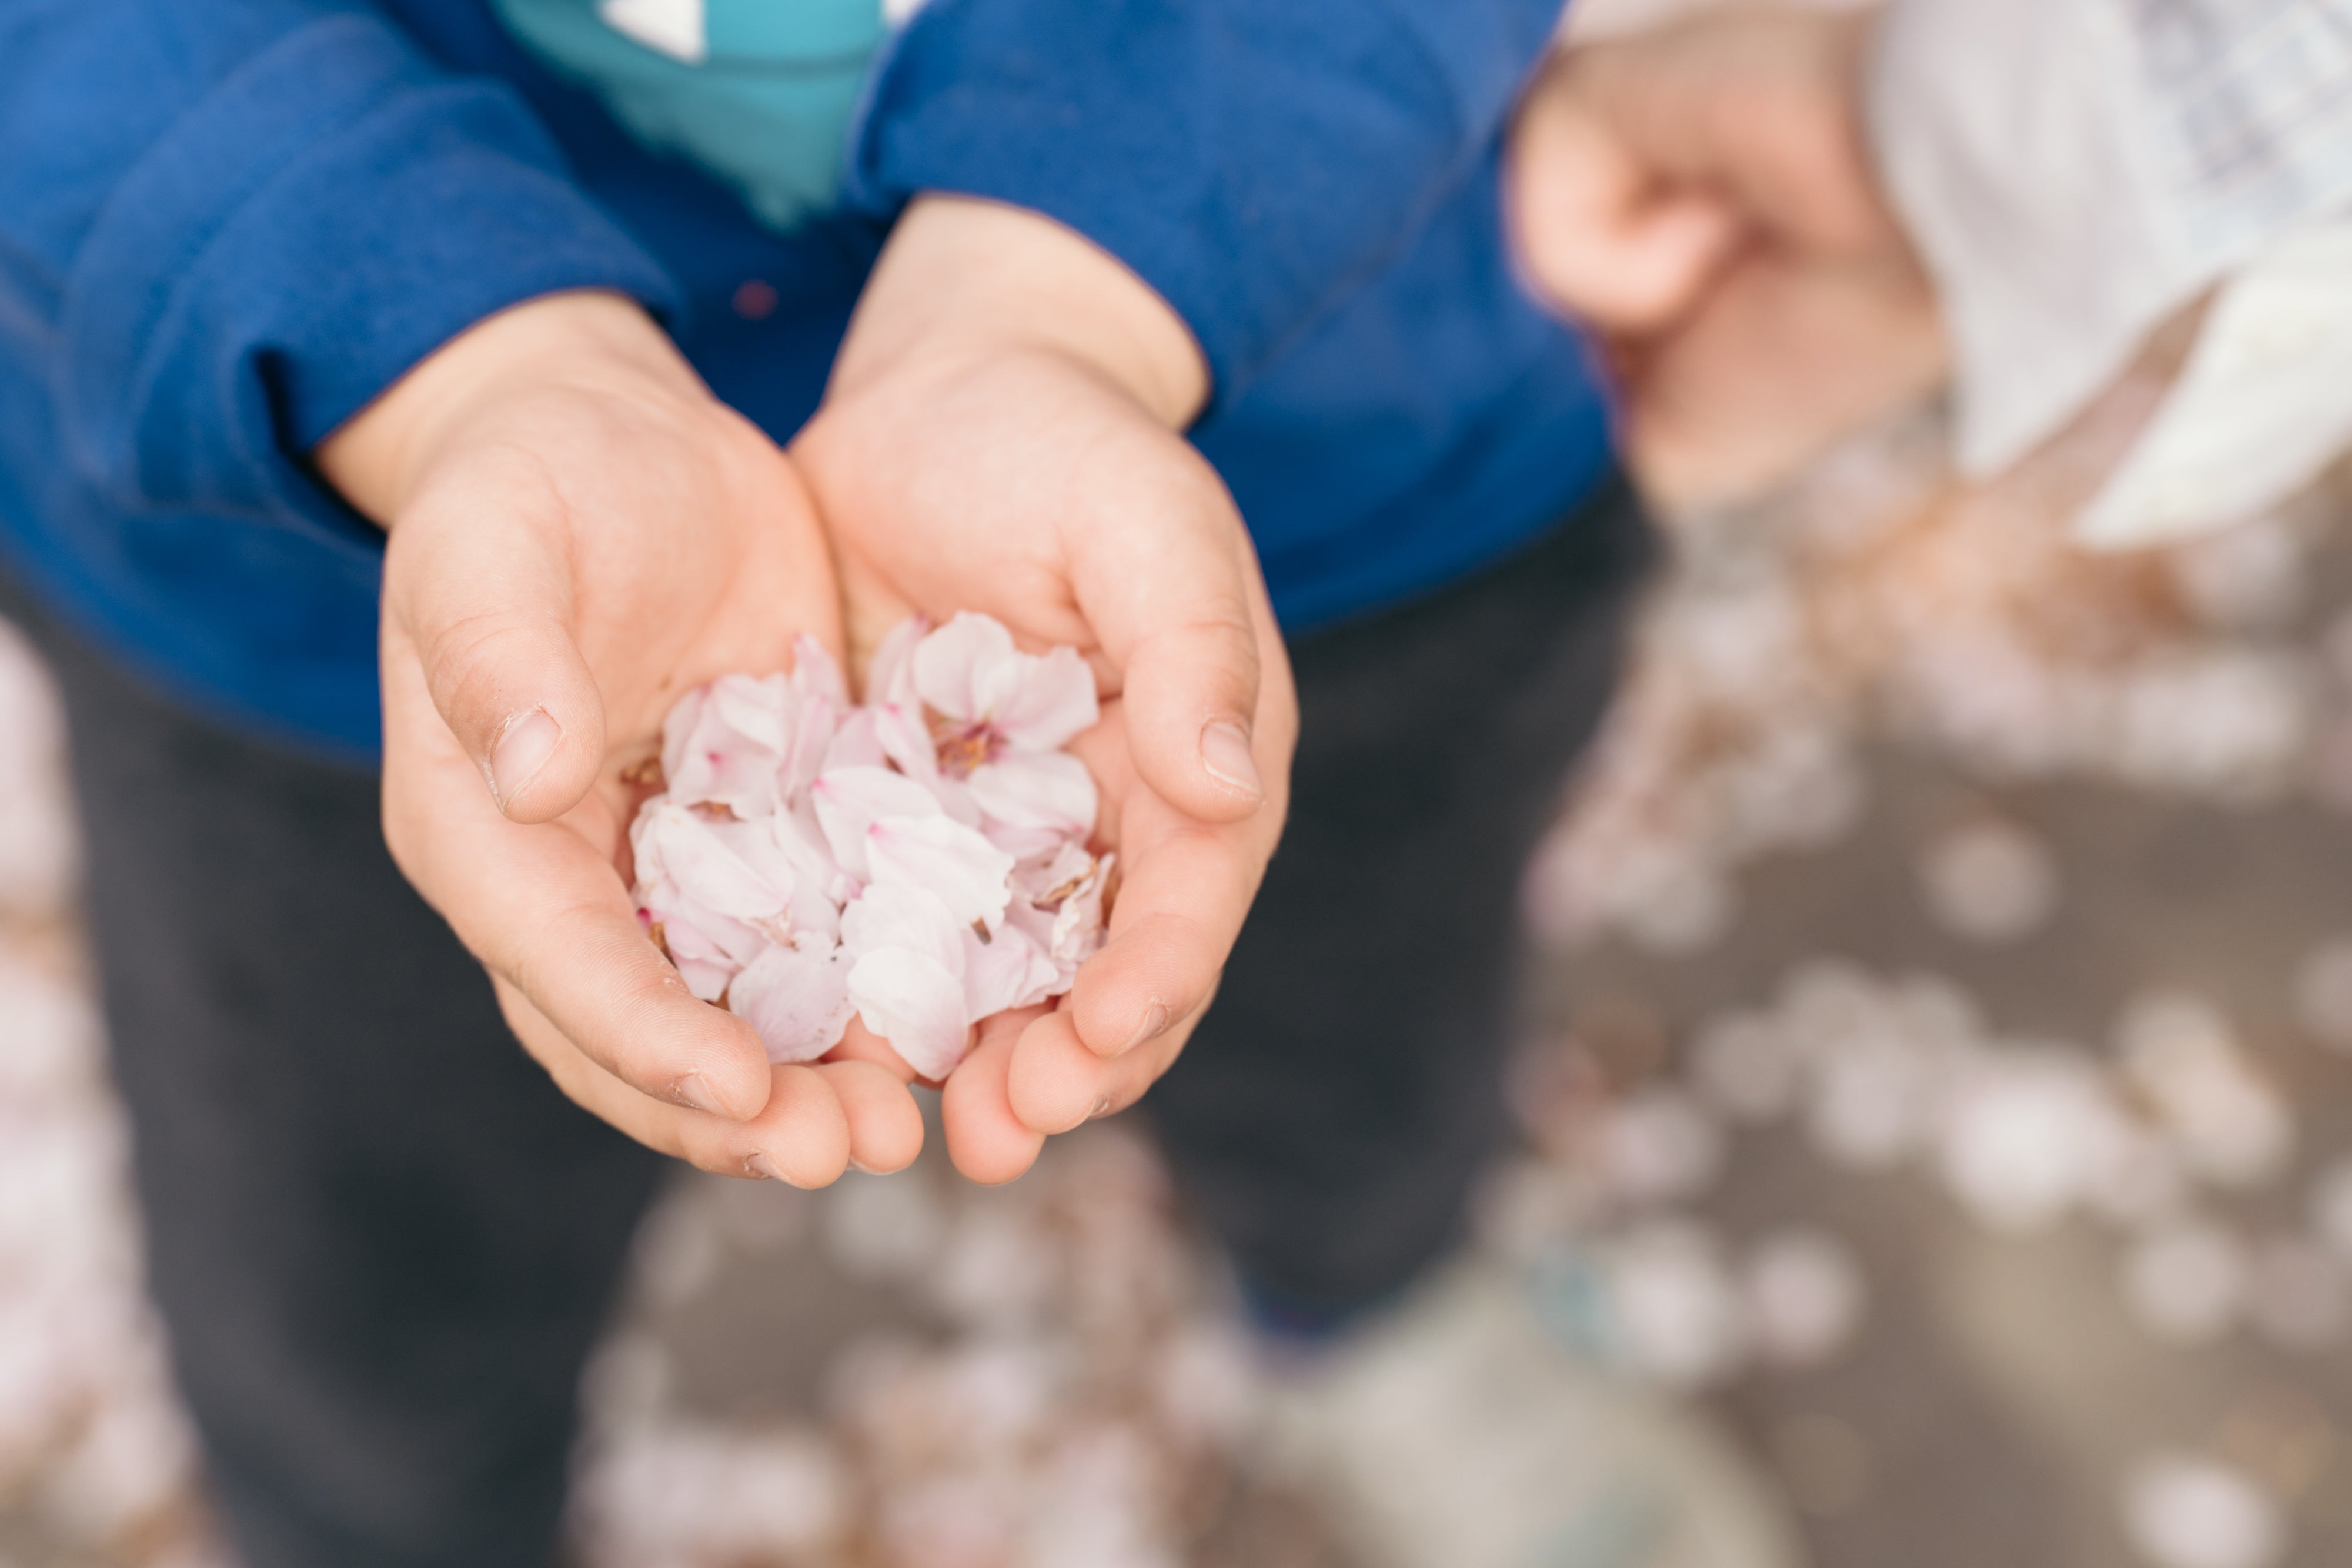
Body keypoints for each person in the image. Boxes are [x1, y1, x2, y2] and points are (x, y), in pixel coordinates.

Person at [0, 2, 1800, 1565]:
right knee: (360, 1273)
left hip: (1306, 388)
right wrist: (436, 352)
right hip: (343, 559)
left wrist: (1070, 280)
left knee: (1364, 1024)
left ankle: (1374, 1290)